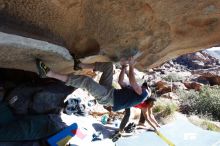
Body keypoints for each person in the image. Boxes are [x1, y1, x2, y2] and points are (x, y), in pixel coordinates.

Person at [35, 56, 151, 112]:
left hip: (108, 98)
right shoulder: (134, 94)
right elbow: (121, 81)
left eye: (143, 86)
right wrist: (124, 67)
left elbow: (133, 82)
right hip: (110, 91)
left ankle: (49, 74)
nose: (141, 86)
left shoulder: (144, 94)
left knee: (86, 82)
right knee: (108, 67)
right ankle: (80, 65)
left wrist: (131, 65)